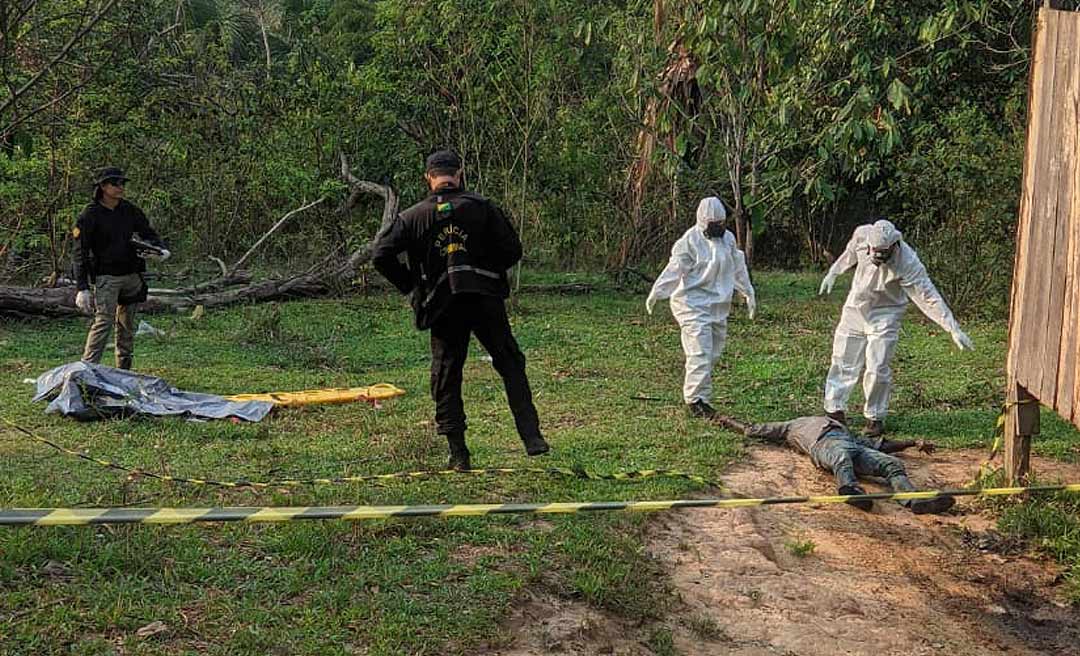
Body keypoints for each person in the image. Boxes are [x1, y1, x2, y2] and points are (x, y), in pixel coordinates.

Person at [371, 149, 549, 471]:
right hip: (484, 298)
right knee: (510, 362)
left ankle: (458, 453)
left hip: (443, 305)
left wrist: (412, 285)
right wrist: (487, 269)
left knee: (448, 375)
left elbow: (380, 255)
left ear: (429, 177)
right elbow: (513, 250)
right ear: (460, 173)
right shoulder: (482, 208)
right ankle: (532, 437)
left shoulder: (411, 217)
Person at [819, 218, 973, 437]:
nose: (878, 256)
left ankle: (874, 417)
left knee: (878, 364)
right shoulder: (862, 234)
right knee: (843, 356)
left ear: (894, 246)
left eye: (884, 252)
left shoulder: (908, 262)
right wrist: (834, 272)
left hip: (886, 311)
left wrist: (952, 327)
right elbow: (849, 255)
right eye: (875, 251)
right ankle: (834, 409)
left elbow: (928, 296)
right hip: (856, 305)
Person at [646, 197, 756, 418]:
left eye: (721, 224)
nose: (718, 228)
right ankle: (696, 400)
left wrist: (748, 293)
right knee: (700, 351)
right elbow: (674, 270)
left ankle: (700, 396)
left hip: (718, 306)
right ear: (702, 221)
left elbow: (738, 267)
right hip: (691, 304)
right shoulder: (689, 242)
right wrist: (657, 293)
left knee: (713, 352)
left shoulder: (728, 240)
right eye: (713, 224)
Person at [715, 414, 954, 515]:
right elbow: (753, 430)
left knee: (891, 464)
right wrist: (725, 420)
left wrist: (913, 443)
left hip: (855, 447)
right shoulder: (793, 425)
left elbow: (882, 444)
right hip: (824, 446)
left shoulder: (845, 429)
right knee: (841, 456)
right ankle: (850, 490)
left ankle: (914, 500)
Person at [72, 167, 169, 370]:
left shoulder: (129, 210)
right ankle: (86, 370)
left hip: (132, 275)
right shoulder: (90, 214)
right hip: (106, 277)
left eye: (122, 184)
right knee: (103, 323)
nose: (120, 187)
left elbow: (148, 233)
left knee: (126, 326)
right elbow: (80, 251)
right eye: (115, 183)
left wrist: (159, 249)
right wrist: (82, 287)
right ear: (103, 187)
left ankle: (123, 371)